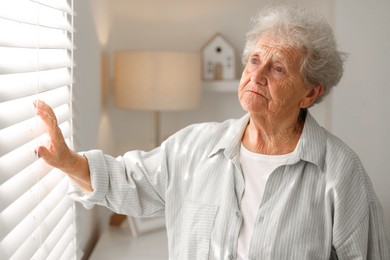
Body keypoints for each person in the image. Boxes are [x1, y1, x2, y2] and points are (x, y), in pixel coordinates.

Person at [35, 5, 390, 260]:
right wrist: (68, 161)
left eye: (278, 68)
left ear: (311, 93)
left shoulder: (342, 174)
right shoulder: (194, 146)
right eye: (254, 60)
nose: (258, 74)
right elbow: (125, 180)